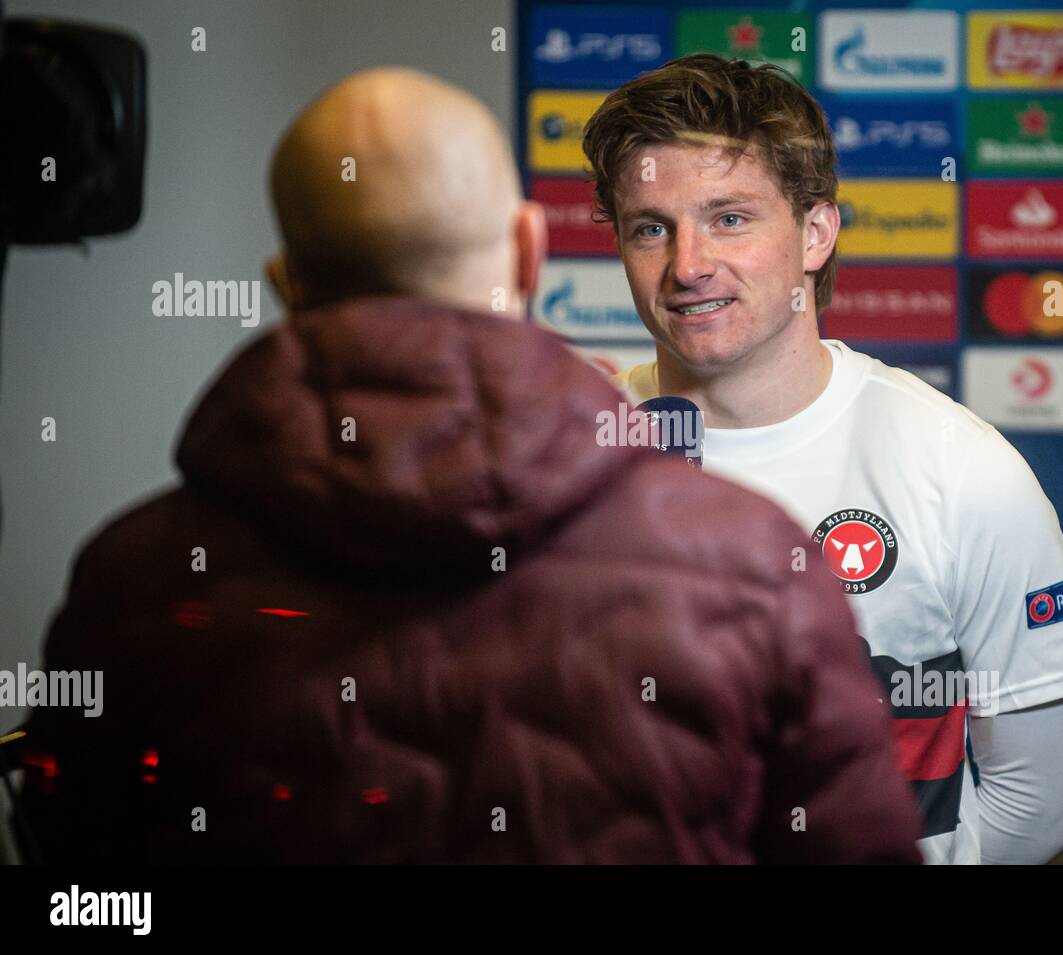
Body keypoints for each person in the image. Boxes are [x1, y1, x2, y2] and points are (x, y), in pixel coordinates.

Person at [16, 67, 921, 863]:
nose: (689, 264)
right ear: (530, 249)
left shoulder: (131, 579)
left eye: (728, 219)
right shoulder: (756, 563)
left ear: (286, 280)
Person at [585, 54, 1063, 864]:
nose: (687, 266)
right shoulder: (569, 455)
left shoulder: (961, 468)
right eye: (652, 226)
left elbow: (1042, 800)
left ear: (816, 232)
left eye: (729, 218)